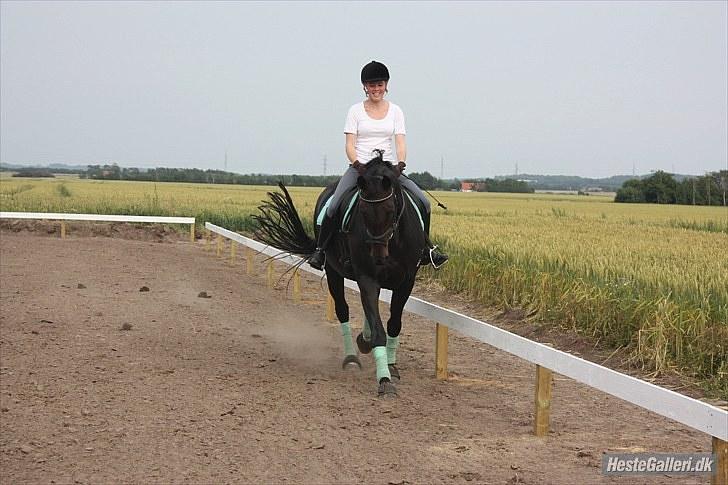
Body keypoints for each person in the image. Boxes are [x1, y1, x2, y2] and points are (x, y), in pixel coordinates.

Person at [308, 60, 448, 271]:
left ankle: (425, 251)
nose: (376, 89)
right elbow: (349, 143)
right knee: (333, 205)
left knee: (424, 203)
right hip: (361, 169)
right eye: (372, 85)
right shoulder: (355, 111)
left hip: (388, 170)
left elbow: (400, 141)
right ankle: (321, 250)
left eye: (380, 84)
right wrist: (357, 164)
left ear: (386, 85)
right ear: (365, 87)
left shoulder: (396, 111)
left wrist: (400, 164)